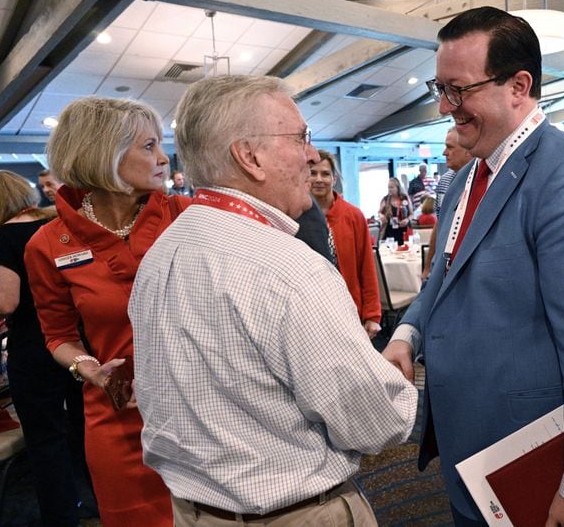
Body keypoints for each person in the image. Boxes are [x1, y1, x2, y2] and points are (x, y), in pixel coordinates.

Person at [382, 6, 564, 525]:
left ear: (518, 86)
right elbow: (446, 273)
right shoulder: (466, 178)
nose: (443, 106)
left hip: (533, 453)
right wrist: (407, 335)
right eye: (440, 88)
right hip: (472, 443)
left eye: (458, 90)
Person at [128, 75, 417, 525]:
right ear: (250, 157)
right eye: (300, 137)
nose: (311, 155)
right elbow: (374, 423)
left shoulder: (164, 250)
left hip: (195, 513)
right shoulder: (290, 269)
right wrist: (396, 384)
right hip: (295, 513)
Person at [24, 97, 188, 526]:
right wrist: (89, 368)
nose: (163, 158)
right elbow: (57, 335)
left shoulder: (188, 218)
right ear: (104, 155)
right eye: (148, 146)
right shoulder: (47, 244)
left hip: (200, 410)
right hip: (120, 419)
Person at [0, 171, 89, 527]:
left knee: (46, 438)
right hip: (80, 341)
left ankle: (62, 517)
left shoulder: (3, 236)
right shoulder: (58, 223)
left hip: (36, 349)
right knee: (85, 428)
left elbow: (4, 303)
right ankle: (98, 504)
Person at [310, 149, 381, 338]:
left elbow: (366, 266)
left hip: (349, 308)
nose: (318, 179)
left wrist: (372, 314)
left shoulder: (353, 215)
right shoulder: (295, 214)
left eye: (325, 174)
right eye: (312, 173)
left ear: (334, 179)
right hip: (311, 310)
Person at [423, 127, 473, 279]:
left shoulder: (483, 181)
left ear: (468, 150)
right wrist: (428, 267)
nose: (444, 153)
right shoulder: (444, 182)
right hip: (443, 267)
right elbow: (440, 225)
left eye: (450, 147)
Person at [378, 177, 412, 245]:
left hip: (403, 230)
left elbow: (411, 214)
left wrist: (407, 220)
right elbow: (379, 212)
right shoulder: (385, 199)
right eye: (388, 187)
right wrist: (381, 216)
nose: (389, 190)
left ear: (397, 187)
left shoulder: (404, 198)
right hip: (390, 231)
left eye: (392, 187)